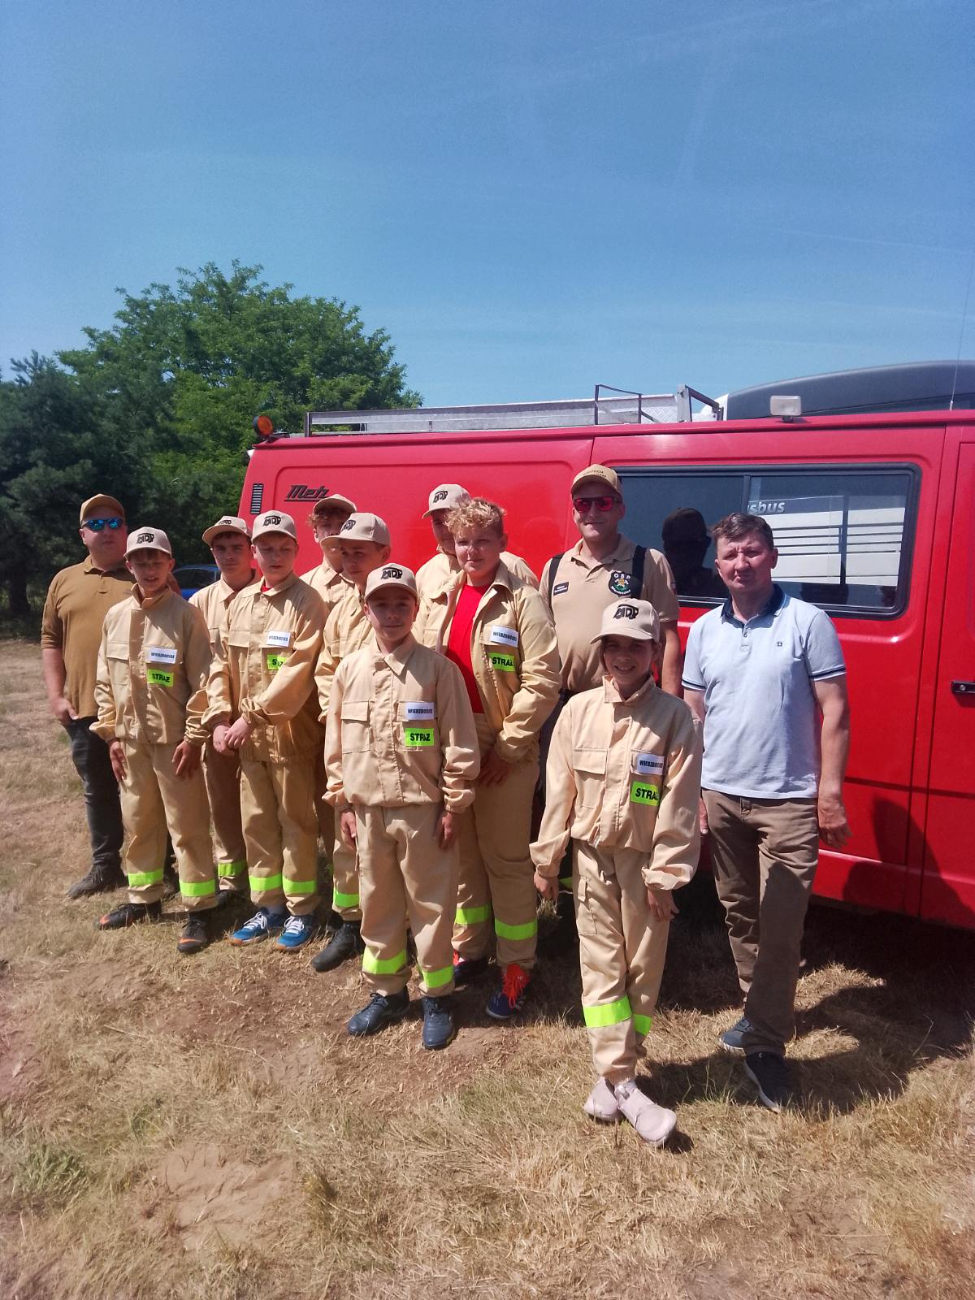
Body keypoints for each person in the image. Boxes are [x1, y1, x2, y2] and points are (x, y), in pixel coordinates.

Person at [682, 512, 851, 1112]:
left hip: (787, 799)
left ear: (772, 556)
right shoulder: (703, 630)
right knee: (740, 915)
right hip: (723, 796)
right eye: (729, 555)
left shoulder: (809, 622)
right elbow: (695, 717)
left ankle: (765, 1045)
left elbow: (836, 711)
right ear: (718, 563)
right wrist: (696, 792)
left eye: (751, 552)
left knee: (781, 925)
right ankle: (762, 1015)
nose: (740, 564)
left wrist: (827, 792)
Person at [532, 598, 701, 1146]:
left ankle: (616, 1067)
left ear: (654, 651)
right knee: (601, 966)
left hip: (646, 865)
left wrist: (665, 874)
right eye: (614, 646)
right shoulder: (576, 711)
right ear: (601, 651)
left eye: (636, 645)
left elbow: (678, 803)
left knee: (643, 969)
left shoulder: (675, 718)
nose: (623, 656)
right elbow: (559, 793)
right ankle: (626, 1086)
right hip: (590, 860)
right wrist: (547, 859)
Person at [325, 563, 479, 1050]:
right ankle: (388, 991)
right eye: (381, 604)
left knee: (432, 906)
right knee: (377, 902)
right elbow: (335, 745)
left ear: (415, 608)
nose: (391, 614)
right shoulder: (349, 670)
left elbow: (459, 743)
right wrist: (343, 802)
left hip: (422, 812)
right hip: (367, 811)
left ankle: (437, 995)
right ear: (366, 609)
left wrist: (454, 805)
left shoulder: (438, 670)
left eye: (401, 604)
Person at [416, 498, 559, 1019]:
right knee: (463, 861)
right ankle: (471, 948)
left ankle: (518, 963)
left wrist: (509, 747)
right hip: (451, 747)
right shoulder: (442, 596)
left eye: (481, 540)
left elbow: (543, 680)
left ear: (502, 543)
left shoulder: (523, 601)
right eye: (462, 541)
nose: (471, 550)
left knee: (506, 862)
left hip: (504, 749)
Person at [204, 509, 327, 952]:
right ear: (254, 551)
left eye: (284, 548)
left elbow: (296, 672)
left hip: (289, 736)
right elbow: (219, 666)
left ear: (297, 550)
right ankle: (268, 906)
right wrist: (220, 716)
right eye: (267, 548)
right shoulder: (240, 602)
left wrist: (248, 717)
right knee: (256, 823)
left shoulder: (309, 602)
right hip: (245, 739)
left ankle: (300, 909)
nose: (275, 555)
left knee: (296, 822)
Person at [92, 527, 218, 954]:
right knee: (139, 821)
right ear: (128, 566)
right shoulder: (115, 617)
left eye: (156, 560)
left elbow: (205, 681)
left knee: (187, 826)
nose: (148, 567)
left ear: (169, 563)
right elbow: (105, 681)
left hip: (174, 742)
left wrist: (194, 736)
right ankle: (143, 898)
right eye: (140, 561)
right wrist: (110, 734)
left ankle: (199, 908)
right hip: (130, 742)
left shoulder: (186, 616)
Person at [310, 512, 393, 972]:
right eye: (344, 550)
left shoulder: (402, 599)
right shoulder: (341, 609)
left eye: (362, 550)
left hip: (394, 746)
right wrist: (335, 714)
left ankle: (393, 926)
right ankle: (349, 921)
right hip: (347, 739)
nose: (351, 558)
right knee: (346, 831)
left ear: (385, 553)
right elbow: (327, 670)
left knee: (389, 838)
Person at [42, 494, 134, 899]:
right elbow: (50, 640)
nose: (106, 531)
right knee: (97, 789)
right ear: (83, 535)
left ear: (126, 531)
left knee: (146, 790)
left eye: (114, 523)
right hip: (83, 708)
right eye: (96, 524)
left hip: (137, 710)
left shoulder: (146, 573)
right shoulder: (64, 580)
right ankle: (105, 867)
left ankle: (162, 864)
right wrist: (55, 696)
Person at [190, 515, 260, 897]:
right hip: (217, 722)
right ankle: (233, 878)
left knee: (264, 805)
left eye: (237, 547)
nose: (229, 556)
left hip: (261, 722)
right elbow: (202, 668)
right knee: (222, 802)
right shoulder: (200, 603)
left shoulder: (268, 594)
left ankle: (270, 872)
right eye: (221, 549)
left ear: (251, 550)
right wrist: (215, 721)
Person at [415, 483, 538, 607]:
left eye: (453, 518)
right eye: (438, 522)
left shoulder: (513, 566)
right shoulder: (425, 574)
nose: (447, 528)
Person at [300, 492, 357, 610]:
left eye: (342, 524)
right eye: (326, 525)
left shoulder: (369, 582)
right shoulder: (303, 586)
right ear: (315, 534)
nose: (334, 532)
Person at [661, 508, 727, 600]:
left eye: (704, 543)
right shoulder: (649, 583)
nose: (700, 550)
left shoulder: (721, 586)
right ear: (668, 547)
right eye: (688, 545)